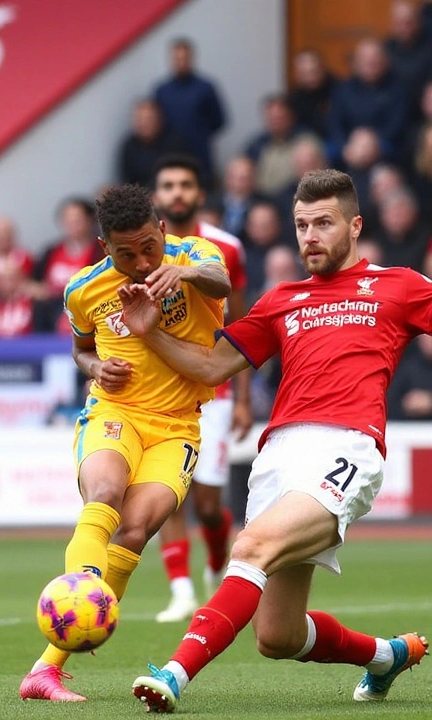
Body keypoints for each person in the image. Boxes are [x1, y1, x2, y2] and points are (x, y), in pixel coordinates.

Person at [119, 168, 432, 714]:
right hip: (277, 456)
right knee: (275, 635)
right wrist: (150, 333)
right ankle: (385, 656)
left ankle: (174, 673)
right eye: (301, 225)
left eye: (323, 223)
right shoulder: (282, 299)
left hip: (346, 448)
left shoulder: (398, 285)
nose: (310, 237)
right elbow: (209, 366)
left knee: (249, 549)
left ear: (355, 225)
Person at [18, 184, 231, 702]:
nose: (140, 263)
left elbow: (221, 283)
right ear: (102, 247)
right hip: (115, 413)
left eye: (148, 248)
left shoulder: (193, 256)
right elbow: (80, 349)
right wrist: (96, 367)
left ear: (162, 230)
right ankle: (85, 593)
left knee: (135, 530)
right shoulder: (83, 289)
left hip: (178, 424)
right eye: (124, 253)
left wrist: (180, 271)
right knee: (106, 494)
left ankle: (43, 672)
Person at [148, 154, 253, 622]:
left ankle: (215, 561)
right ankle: (181, 591)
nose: (176, 193)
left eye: (185, 184)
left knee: (208, 506)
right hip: (161, 392)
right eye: (168, 185)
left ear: (199, 193)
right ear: (157, 195)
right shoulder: (142, 248)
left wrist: (247, 397)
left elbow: (244, 325)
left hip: (216, 392)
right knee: (168, 493)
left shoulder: (226, 248)